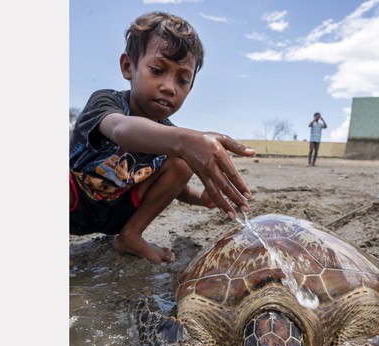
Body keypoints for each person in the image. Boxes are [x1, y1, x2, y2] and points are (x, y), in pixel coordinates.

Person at [70, 12, 255, 264]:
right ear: (128, 66)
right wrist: (184, 140)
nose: (169, 87)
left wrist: (200, 198)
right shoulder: (106, 102)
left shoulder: (170, 136)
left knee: (181, 162)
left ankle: (131, 236)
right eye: (157, 70)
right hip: (75, 202)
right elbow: (121, 129)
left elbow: (173, 184)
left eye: (182, 80)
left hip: (118, 213)